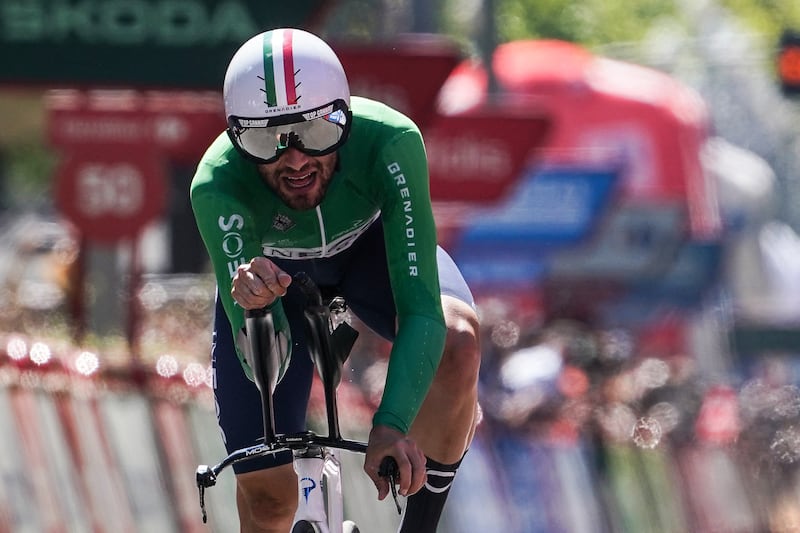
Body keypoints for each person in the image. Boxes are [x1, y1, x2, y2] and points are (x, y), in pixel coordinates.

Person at [190, 27, 480, 533]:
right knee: (268, 503)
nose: (296, 160)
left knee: (458, 343)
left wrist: (390, 426)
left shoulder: (391, 140)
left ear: (344, 117)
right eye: (265, 142)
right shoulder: (217, 185)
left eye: (317, 135)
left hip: (371, 257)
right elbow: (264, 363)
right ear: (238, 139)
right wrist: (255, 309)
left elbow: (419, 310)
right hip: (279, 282)